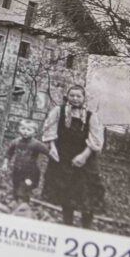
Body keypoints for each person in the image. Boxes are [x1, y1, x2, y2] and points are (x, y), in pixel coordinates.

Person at [41, 86, 106, 228]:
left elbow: (95, 140)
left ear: (84, 98)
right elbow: (49, 130)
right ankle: (67, 225)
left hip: (85, 161)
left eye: (78, 96)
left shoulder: (91, 116)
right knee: (66, 193)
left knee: (87, 194)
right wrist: (52, 148)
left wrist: (83, 156)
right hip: (63, 158)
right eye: (72, 95)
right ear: (67, 96)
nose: (75, 99)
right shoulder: (58, 111)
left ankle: (86, 226)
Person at [2, 119, 49, 205]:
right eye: (23, 128)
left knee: (24, 189)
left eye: (29, 130)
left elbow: (48, 152)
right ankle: (16, 205)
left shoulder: (36, 144)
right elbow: (8, 154)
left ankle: (24, 206)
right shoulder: (16, 142)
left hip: (31, 173)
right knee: (16, 188)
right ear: (19, 129)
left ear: (35, 132)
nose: (25, 132)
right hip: (17, 171)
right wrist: (5, 164)